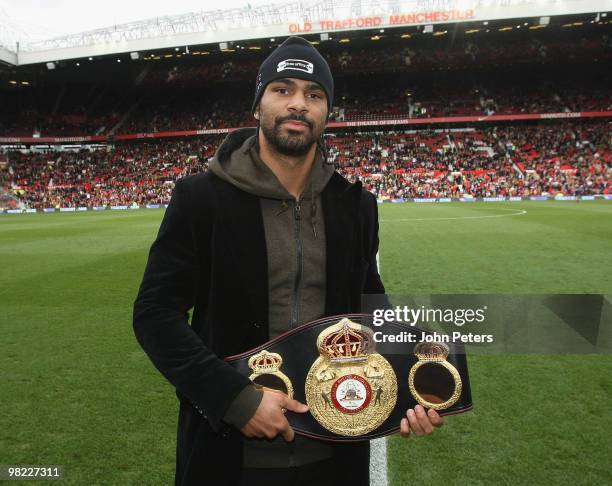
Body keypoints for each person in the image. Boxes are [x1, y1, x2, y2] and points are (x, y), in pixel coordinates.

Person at [133, 36, 443, 486]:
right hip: (231, 454)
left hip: (336, 452)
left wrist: (411, 384)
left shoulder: (356, 206)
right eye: (283, 89)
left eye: (314, 94)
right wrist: (237, 399)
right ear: (258, 104)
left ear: (327, 112)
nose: (299, 103)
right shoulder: (200, 199)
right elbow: (155, 315)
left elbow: (370, 306)